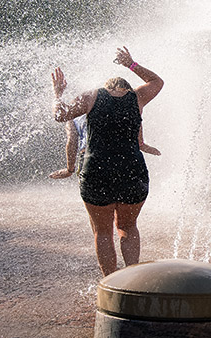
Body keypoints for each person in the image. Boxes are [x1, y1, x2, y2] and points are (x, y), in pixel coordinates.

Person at [51, 46, 164, 276]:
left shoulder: (90, 97)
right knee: (128, 227)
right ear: (126, 88)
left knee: (103, 232)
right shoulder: (137, 97)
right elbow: (157, 81)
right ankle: (131, 282)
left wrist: (57, 95)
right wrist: (131, 64)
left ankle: (111, 284)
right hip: (132, 171)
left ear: (107, 88)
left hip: (97, 172)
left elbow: (60, 115)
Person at [49, 114, 161, 179]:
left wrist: (69, 169)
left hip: (90, 159)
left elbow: (72, 142)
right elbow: (135, 121)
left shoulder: (74, 117)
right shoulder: (118, 110)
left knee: (98, 210)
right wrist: (142, 145)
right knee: (122, 205)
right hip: (121, 157)